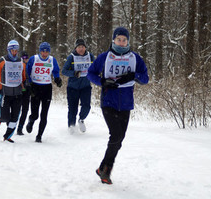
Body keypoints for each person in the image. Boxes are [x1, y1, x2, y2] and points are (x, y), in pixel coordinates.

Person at [87, 27, 149, 184]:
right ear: (113, 40)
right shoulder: (105, 57)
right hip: (109, 101)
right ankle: (106, 171)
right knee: (115, 135)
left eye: (124, 40)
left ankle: (102, 168)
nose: (121, 42)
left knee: (119, 139)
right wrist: (102, 81)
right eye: (119, 39)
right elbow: (90, 73)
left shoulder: (135, 58)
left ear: (128, 41)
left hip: (126, 103)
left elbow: (145, 78)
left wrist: (134, 76)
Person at [0, 40, 26, 143]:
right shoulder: (2, 61)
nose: (14, 52)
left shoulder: (21, 62)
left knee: (14, 118)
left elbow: (24, 77)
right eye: (12, 50)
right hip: (4, 93)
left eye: (16, 50)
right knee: (5, 117)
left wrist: (26, 86)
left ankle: (7, 136)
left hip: (17, 94)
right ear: (8, 50)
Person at [25, 42, 62, 143]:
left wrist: (57, 79)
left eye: (46, 51)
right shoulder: (34, 59)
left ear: (49, 51)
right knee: (35, 114)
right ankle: (31, 120)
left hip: (47, 88)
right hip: (35, 88)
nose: (44, 53)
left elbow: (55, 71)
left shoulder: (52, 60)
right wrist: (29, 83)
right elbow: (27, 71)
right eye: (43, 51)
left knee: (44, 114)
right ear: (40, 51)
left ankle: (39, 135)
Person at [62, 39, 95, 134]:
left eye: (83, 47)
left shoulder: (90, 56)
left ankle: (81, 120)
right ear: (76, 48)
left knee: (86, 106)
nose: (81, 49)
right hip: (73, 87)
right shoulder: (71, 57)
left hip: (85, 86)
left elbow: (96, 67)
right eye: (79, 47)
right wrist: (74, 73)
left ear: (85, 48)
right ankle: (71, 126)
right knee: (73, 108)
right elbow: (64, 71)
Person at [17, 51, 30, 135]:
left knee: (25, 110)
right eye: (23, 58)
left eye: (26, 58)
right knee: (17, 109)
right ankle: (12, 124)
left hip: (27, 90)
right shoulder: (19, 65)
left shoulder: (29, 65)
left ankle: (20, 128)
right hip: (19, 90)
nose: (25, 59)